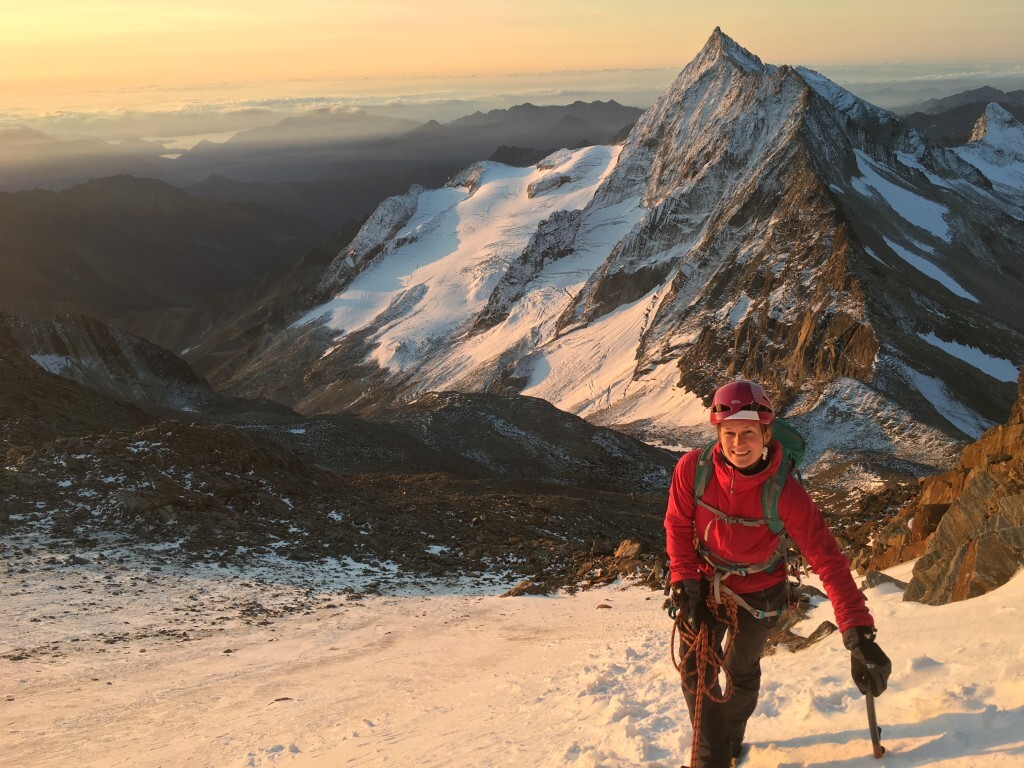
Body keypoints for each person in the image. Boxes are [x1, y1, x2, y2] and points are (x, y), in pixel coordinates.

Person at [664, 380, 891, 768]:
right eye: (729, 434)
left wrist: (858, 632)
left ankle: (730, 738)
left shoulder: (785, 492)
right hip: (705, 580)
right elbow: (678, 526)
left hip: (760, 589)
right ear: (717, 434)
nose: (738, 443)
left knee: (740, 668)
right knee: (694, 665)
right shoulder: (692, 469)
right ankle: (713, 756)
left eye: (748, 433)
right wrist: (684, 580)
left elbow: (827, 559)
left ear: (766, 434)